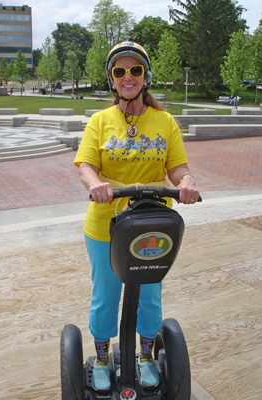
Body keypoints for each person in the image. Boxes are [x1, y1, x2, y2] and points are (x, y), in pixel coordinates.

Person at [74, 42, 200, 392]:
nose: (127, 77)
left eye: (135, 70)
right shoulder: (100, 121)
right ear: (112, 79)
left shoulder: (164, 121)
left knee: (150, 293)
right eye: (119, 72)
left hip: (153, 223)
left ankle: (146, 356)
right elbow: (86, 165)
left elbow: (177, 169)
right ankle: (101, 359)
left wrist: (187, 182)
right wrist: (96, 183)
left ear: (145, 76)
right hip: (106, 225)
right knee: (107, 293)